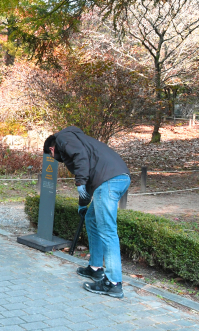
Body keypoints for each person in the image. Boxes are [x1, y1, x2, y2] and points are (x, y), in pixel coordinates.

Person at [43, 126, 130, 298]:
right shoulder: (78, 141)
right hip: (114, 178)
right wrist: (83, 204)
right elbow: (89, 175)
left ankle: (113, 283)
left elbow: (80, 160)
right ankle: (95, 268)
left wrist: (80, 183)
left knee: (107, 231)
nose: (55, 159)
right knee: (91, 218)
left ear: (51, 149)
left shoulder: (62, 138)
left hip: (109, 181)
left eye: (51, 156)